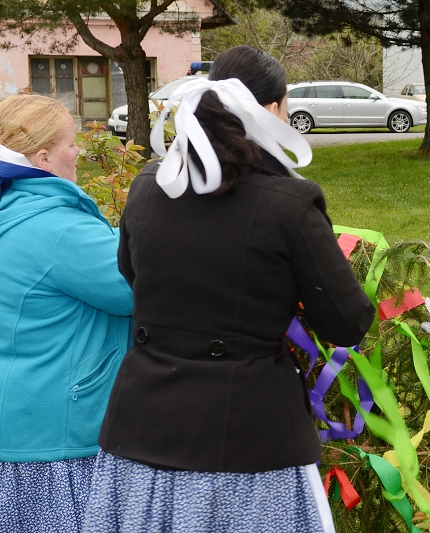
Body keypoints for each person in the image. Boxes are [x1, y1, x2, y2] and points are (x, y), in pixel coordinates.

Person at [81, 45, 376, 533]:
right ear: (275, 109)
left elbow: (134, 275)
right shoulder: (290, 204)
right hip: (247, 439)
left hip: (144, 423)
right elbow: (345, 323)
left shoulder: (151, 183)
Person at [0, 94, 133, 532]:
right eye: (70, 144)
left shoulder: (13, 214)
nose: (77, 153)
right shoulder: (58, 230)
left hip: (20, 425)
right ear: (43, 157)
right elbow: (139, 286)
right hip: (60, 439)